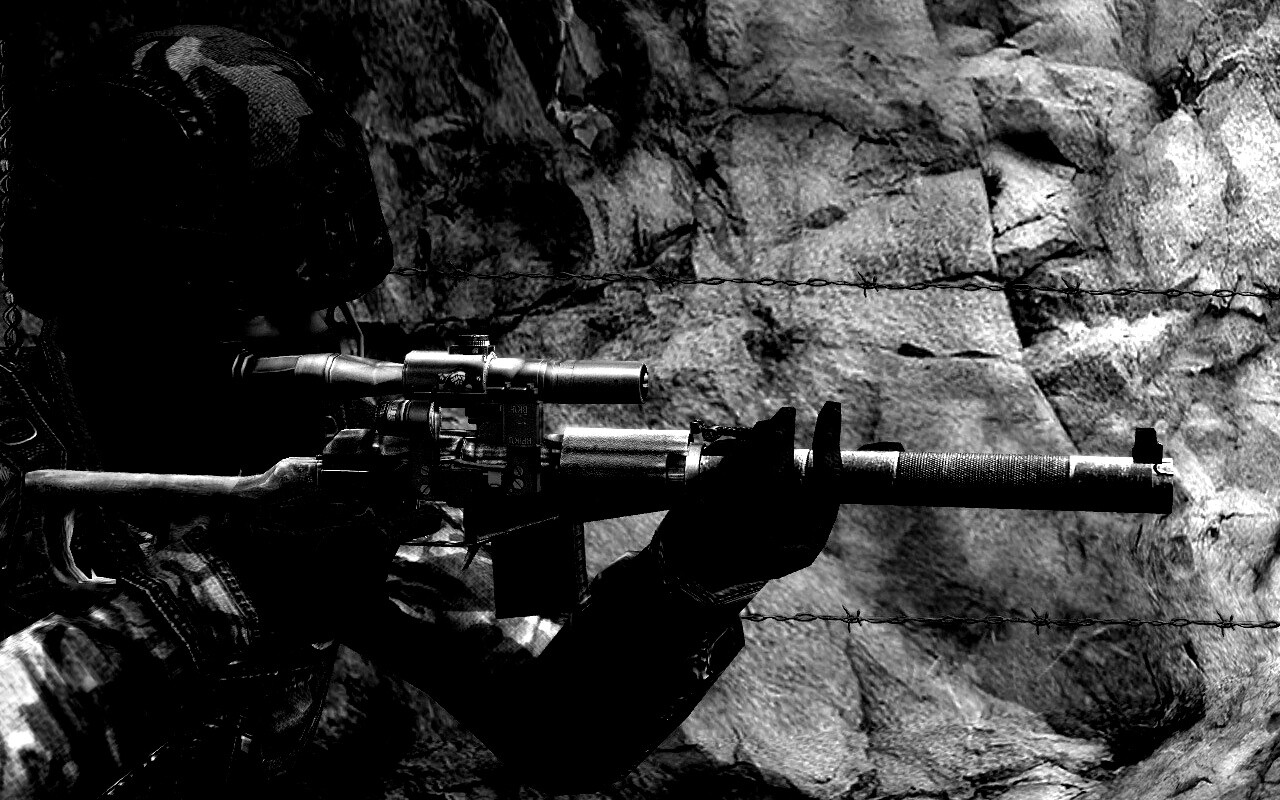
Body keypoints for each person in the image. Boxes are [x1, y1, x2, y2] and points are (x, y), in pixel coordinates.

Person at [0, 24, 842, 799]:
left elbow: (561, 729)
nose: (320, 338)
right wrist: (210, 601)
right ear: (125, 304)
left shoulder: (314, 453)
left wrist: (694, 582)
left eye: (326, 304)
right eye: (264, 309)